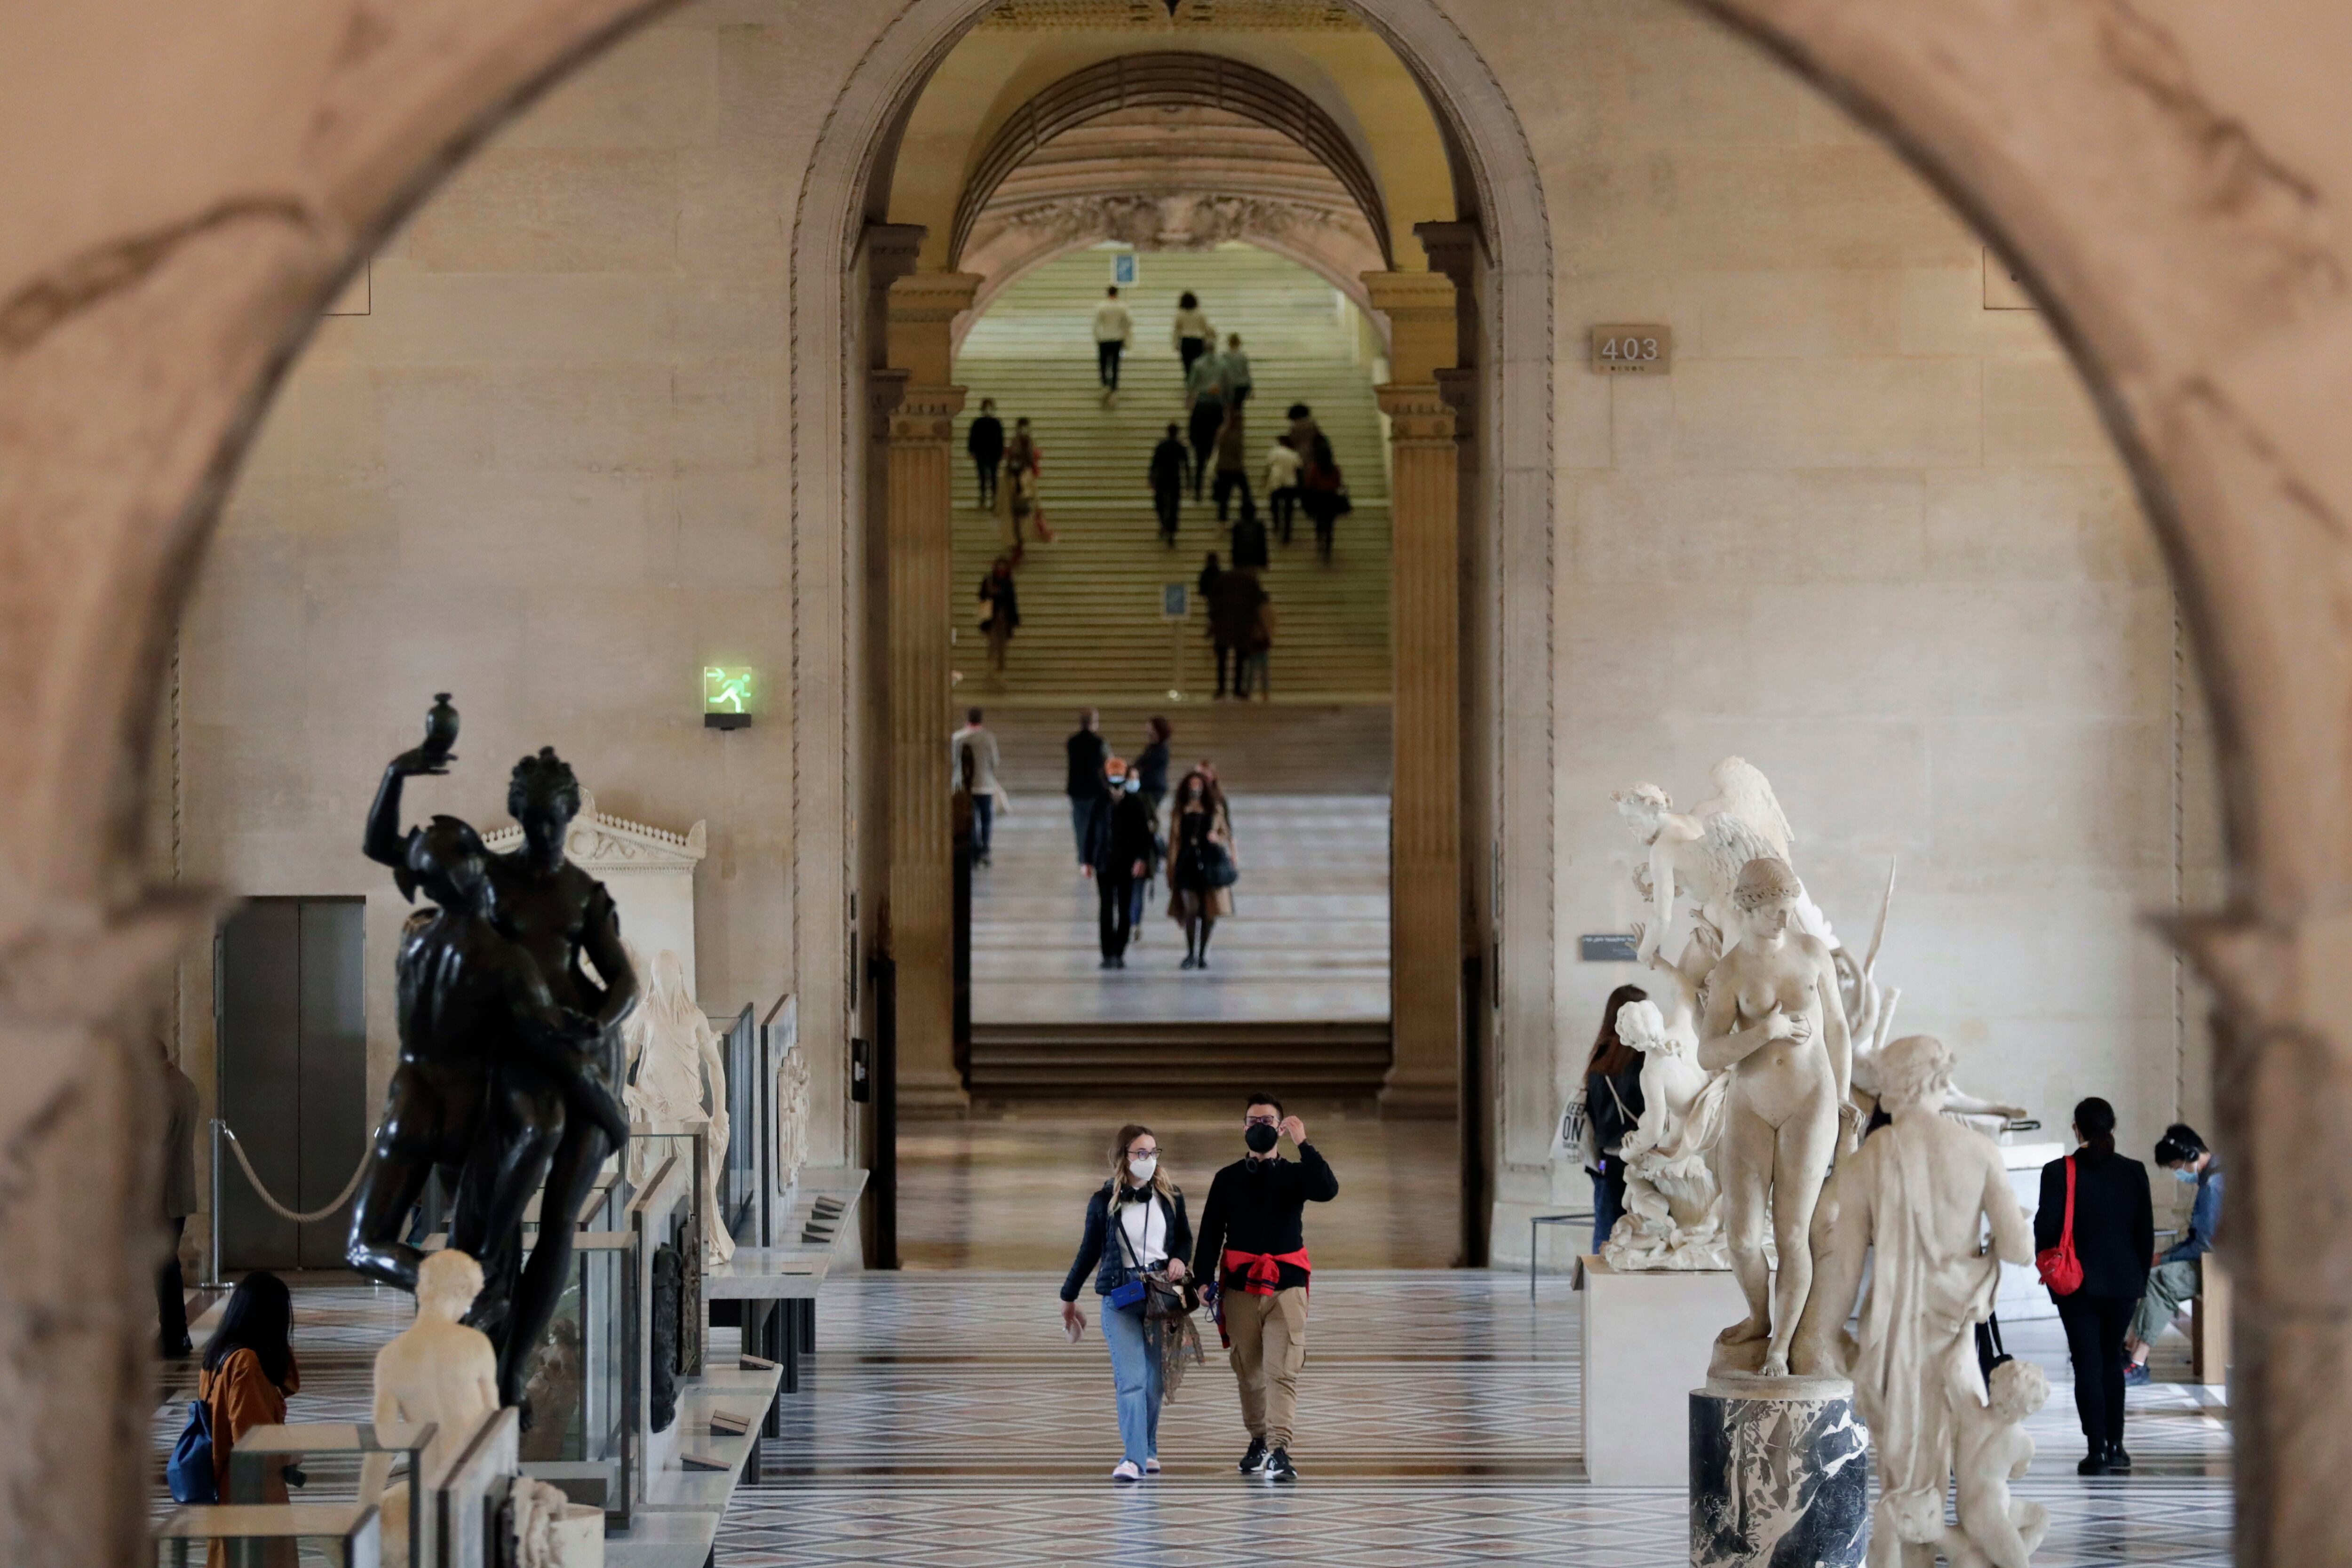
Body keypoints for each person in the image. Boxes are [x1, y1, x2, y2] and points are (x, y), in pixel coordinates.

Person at [1190, 1094, 1338, 1484]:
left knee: (1282, 1369)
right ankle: (1258, 1439)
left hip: (1286, 1287)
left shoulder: (1294, 1174)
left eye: (1268, 1120)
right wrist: (1202, 1278)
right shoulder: (1227, 1178)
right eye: (1254, 1120)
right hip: (1240, 1288)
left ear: (1279, 1126)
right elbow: (1209, 1233)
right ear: (1244, 1128)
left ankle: (1280, 1448)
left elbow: (1327, 1188)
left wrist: (1304, 1143)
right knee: (1248, 1370)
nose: (1260, 1125)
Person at [1061, 1124, 1193, 1482]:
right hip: (1122, 1296)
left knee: (1154, 1383)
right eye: (1141, 1153)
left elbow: (1184, 1239)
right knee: (1132, 1379)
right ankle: (1133, 1458)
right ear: (1124, 1156)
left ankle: (1148, 1448)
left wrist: (1180, 1260)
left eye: (1153, 1152)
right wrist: (1068, 1296)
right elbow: (1089, 1252)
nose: (1149, 1159)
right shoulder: (1103, 1201)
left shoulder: (1170, 1196)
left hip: (1161, 1294)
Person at [2036, 1096, 2153, 1474]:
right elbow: (2145, 1236)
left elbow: (2045, 1231)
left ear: (2077, 1129)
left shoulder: (2058, 1172)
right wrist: (2138, 1283)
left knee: (2087, 1362)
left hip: (2077, 1286)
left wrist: (2056, 1286)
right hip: (2123, 1285)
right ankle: (2118, 1446)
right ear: (2113, 1128)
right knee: (2110, 1362)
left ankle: (2097, 1451)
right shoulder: (2134, 1171)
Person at [199, 1271, 302, 1567]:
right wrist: (290, 1454)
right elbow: (253, 1440)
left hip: (226, 1486)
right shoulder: (246, 1362)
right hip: (252, 1491)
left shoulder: (217, 1358)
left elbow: (287, 1381)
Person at [2124, 1122, 2224, 1385]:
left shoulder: (2214, 1184)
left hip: (2218, 1267)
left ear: (2190, 1156)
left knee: (2160, 1281)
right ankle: (2130, 1350)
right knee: (2152, 1272)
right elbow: (2197, 1238)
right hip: (2211, 1260)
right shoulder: (2214, 1175)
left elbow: (2206, 1246)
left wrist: (2165, 1258)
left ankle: (2137, 1362)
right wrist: (2163, 1256)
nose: (2178, 1173)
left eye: (2176, 1167)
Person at [1582, 984, 1650, 1254]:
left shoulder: (1599, 1055)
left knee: (1607, 1231)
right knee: (1645, 1231)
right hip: (1643, 1157)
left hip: (1607, 1159)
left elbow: (1592, 1111)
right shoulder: (1645, 1058)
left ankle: (1600, 1290)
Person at [1087, 759, 1157, 968]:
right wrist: (1087, 860)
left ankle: (1119, 951)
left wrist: (1142, 859)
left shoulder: (1135, 804)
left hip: (1127, 865)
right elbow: (1091, 832)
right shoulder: (1100, 803)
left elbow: (1144, 836)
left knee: (1125, 909)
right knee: (1106, 909)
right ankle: (1107, 953)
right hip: (1104, 864)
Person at [1168, 769, 1236, 968]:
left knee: (1209, 913)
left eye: (1199, 786)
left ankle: (1202, 954)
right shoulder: (1180, 810)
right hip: (1187, 863)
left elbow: (1226, 833)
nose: (1195, 790)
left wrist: (1218, 838)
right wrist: (1171, 870)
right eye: (1192, 786)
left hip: (1210, 864)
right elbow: (1174, 841)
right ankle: (1190, 953)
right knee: (1191, 910)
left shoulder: (1214, 808)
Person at [158, 1039, 200, 1359]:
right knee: (165, 1262)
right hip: (178, 1189)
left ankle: (175, 1334)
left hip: (160, 1193)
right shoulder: (185, 1085)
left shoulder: (160, 1093)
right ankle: (176, 1332)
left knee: (163, 1264)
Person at [950, 707, 1003, 865]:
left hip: (964, 786)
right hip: (984, 785)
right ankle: (985, 849)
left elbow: (953, 762)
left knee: (969, 820)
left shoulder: (957, 738)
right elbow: (995, 761)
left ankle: (972, 851)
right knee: (986, 818)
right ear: (981, 720)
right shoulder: (988, 738)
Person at [1208, 568, 1267, 701]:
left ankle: (1223, 689)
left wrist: (1213, 619)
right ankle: (1237, 689)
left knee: (1223, 660)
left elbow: (1213, 601)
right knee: (1240, 660)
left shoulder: (1223, 580)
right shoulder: (1249, 581)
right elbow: (1258, 601)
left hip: (1225, 624)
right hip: (1242, 625)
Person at [1065, 708, 1111, 868]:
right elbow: (1107, 764)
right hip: (1095, 790)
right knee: (1096, 825)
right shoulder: (1099, 743)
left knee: (1080, 826)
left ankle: (1083, 857)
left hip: (1077, 790)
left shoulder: (1072, 742)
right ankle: (1093, 855)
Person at [1185, 353, 1226, 502]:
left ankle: (1198, 493)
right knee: (1214, 466)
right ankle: (1216, 493)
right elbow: (1222, 422)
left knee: (1200, 467)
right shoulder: (1217, 406)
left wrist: (1192, 438)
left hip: (1200, 441)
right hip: (1212, 440)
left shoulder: (1199, 407)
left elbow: (1193, 423)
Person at [976, 557, 1019, 679]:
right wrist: (991, 592)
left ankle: (1001, 668)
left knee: (1003, 644)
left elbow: (1012, 601)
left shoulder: (1008, 582)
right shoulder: (989, 581)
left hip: (1004, 617)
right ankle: (990, 667)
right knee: (993, 642)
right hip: (992, 617)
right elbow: (982, 597)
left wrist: (1015, 618)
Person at [1212, 405, 1253, 525]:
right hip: (1235, 468)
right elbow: (1238, 452)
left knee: (1224, 497)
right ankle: (1247, 514)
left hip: (1223, 468)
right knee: (1246, 492)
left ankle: (1222, 520)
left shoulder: (1222, 431)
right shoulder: (1235, 435)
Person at [1149, 422, 1187, 545]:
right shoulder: (1180, 446)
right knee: (1174, 506)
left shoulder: (1162, 446)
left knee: (1160, 503)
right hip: (1174, 479)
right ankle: (1171, 531)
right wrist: (1189, 480)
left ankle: (1164, 525)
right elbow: (1186, 465)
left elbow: (1154, 464)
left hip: (1162, 478)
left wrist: (1151, 478)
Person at [1237, 586, 1275, 700]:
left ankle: (1248, 691)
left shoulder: (1254, 610)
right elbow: (1272, 625)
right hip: (1263, 641)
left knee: (1252, 669)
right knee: (1263, 669)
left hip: (1255, 641)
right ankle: (1265, 692)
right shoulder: (1268, 610)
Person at [1094, 285, 1132, 396]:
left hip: (1104, 338)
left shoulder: (1101, 306)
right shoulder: (1122, 306)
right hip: (1117, 338)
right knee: (1115, 363)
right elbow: (1130, 321)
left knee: (1104, 363)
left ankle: (1105, 383)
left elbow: (1096, 324)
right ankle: (1114, 385)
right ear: (1117, 294)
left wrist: (1097, 336)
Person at [967, 397, 1004, 510]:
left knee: (993, 478)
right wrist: (972, 451)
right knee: (982, 478)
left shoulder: (996, 423)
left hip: (993, 455)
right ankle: (983, 499)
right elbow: (972, 438)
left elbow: (1000, 440)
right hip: (981, 455)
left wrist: (1000, 453)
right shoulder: (978, 423)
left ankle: (994, 500)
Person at [1264, 434, 1302, 545]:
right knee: (1288, 511)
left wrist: (1265, 480)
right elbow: (1299, 469)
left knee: (1274, 505)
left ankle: (1276, 524)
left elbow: (1268, 467)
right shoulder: (1294, 454)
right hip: (1290, 484)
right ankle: (1287, 534)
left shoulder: (1275, 452)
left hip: (1276, 483)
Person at [1172, 290, 1214, 382]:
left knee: (1188, 366)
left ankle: (1190, 384)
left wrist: (1175, 343)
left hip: (1186, 341)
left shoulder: (1180, 314)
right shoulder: (1200, 314)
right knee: (1199, 365)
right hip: (1198, 341)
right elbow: (1206, 328)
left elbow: (1176, 330)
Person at [1218, 332, 1253, 414]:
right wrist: (1251, 388)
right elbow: (1246, 372)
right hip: (1242, 385)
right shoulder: (1243, 356)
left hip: (1229, 385)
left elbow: (1222, 372)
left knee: (1229, 409)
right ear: (1239, 343)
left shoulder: (1225, 356)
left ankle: (1232, 424)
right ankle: (1239, 424)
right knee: (1239, 408)